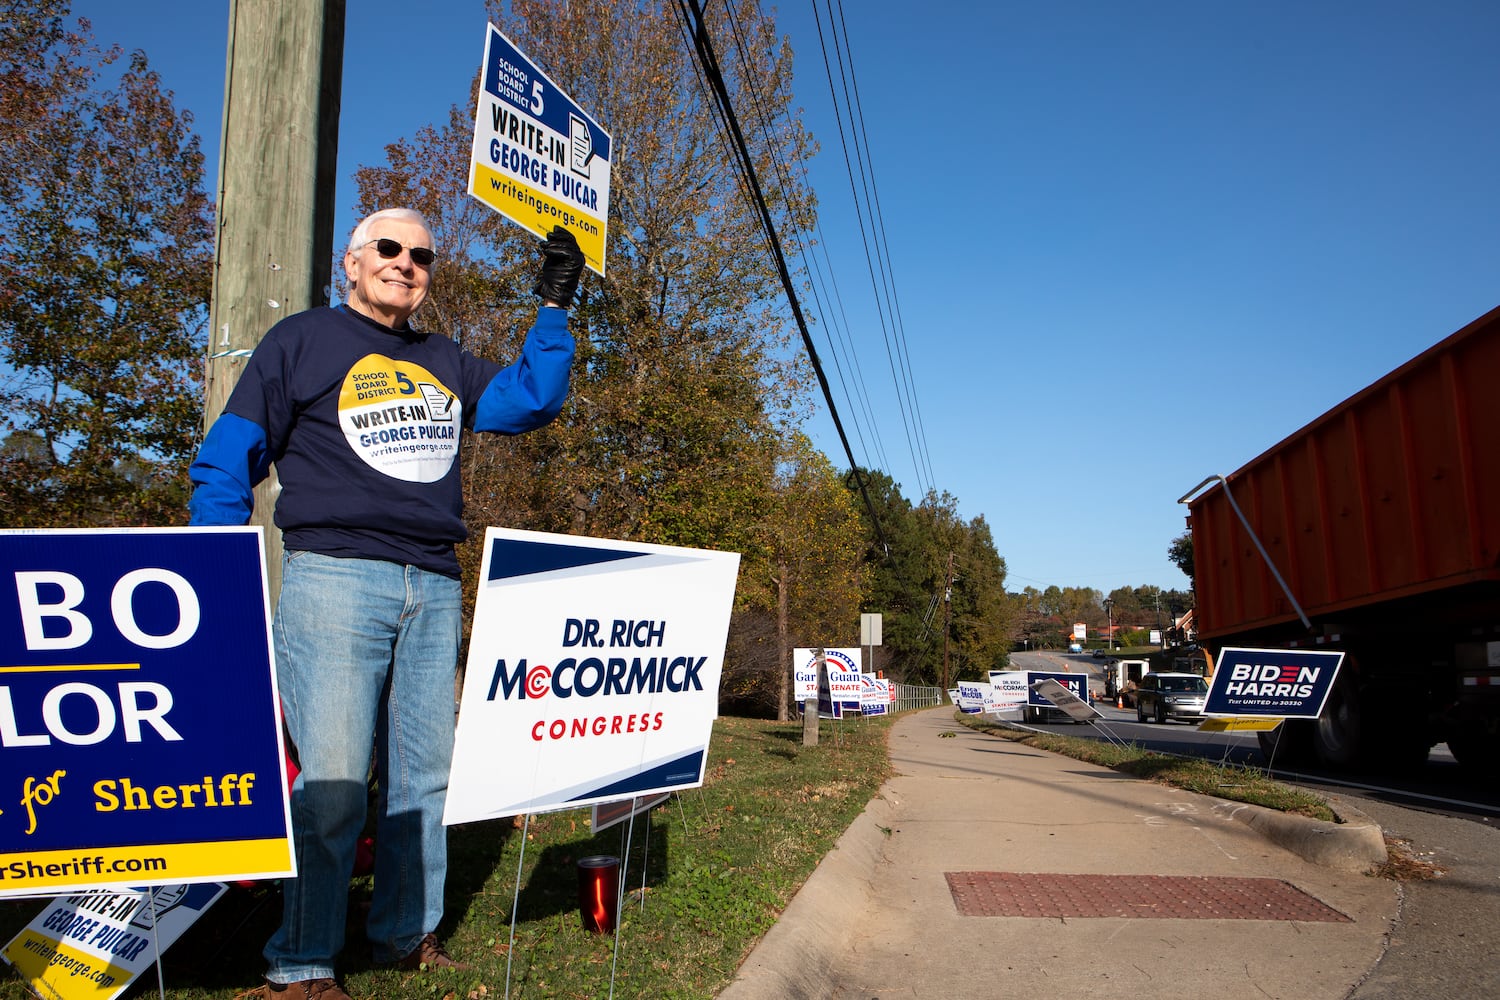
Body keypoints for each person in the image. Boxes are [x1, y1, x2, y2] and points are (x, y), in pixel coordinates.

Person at [189, 209, 583, 1000]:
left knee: (425, 780)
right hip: (334, 580)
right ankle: (301, 961)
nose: (406, 264)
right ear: (352, 264)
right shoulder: (301, 341)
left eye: (423, 256)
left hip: (434, 587)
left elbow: (529, 400)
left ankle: (406, 934)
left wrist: (554, 305)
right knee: (333, 782)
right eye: (389, 249)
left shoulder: (444, 360)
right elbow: (232, 451)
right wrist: (216, 569)